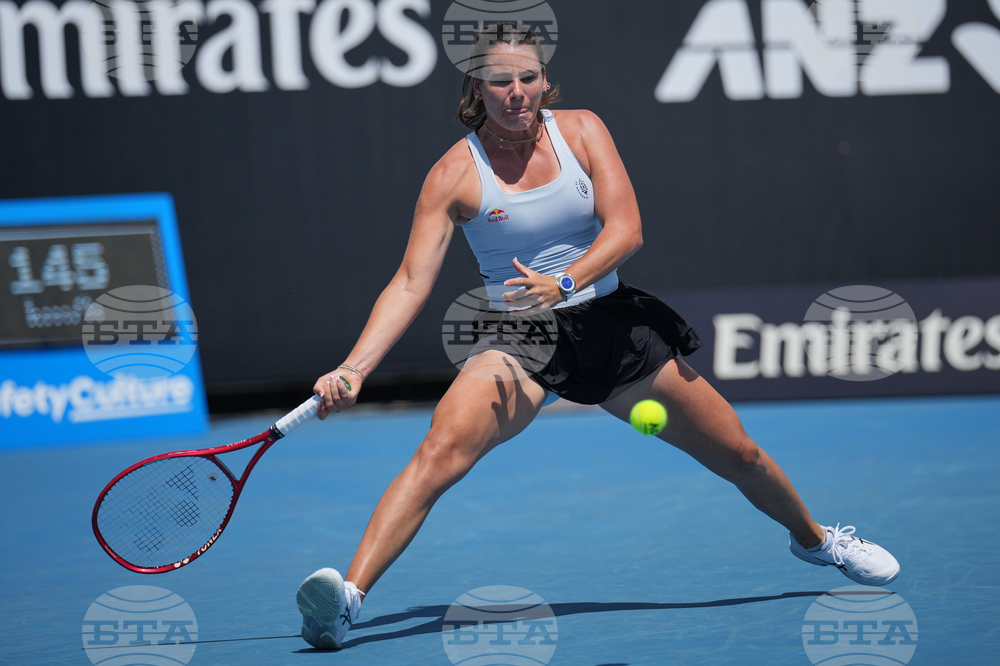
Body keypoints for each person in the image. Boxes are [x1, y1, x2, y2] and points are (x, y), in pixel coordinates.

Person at [295, 27, 900, 650]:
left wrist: (564, 280)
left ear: (542, 79)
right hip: (521, 338)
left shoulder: (582, 130)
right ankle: (348, 601)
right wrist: (356, 367)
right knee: (441, 449)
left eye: (528, 78)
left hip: (610, 323)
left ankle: (817, 542)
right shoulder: (452, 174)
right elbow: (408, 283)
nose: (517, 92)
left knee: (739, 454)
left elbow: (627, 229)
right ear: (477, 86)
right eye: (501, 81)